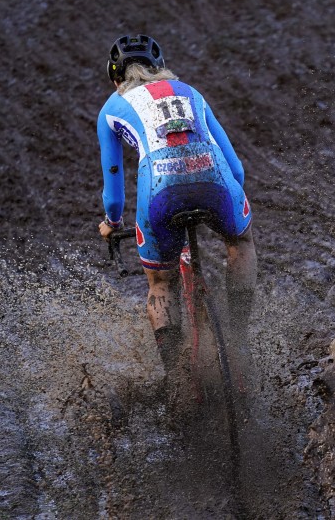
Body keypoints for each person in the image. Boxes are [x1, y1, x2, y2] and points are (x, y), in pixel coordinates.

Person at [96, 34, 257, 404]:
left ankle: (177, 378)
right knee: (240, 243)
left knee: (160, 283)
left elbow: (114, 186)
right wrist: (229, 205)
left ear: (115, 76)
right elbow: (236, 168)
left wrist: (112, 221)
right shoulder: (191, 92)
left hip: (160, 193)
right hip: (214, 181)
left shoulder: (111, 108)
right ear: (159, 66)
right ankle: (238, 339)